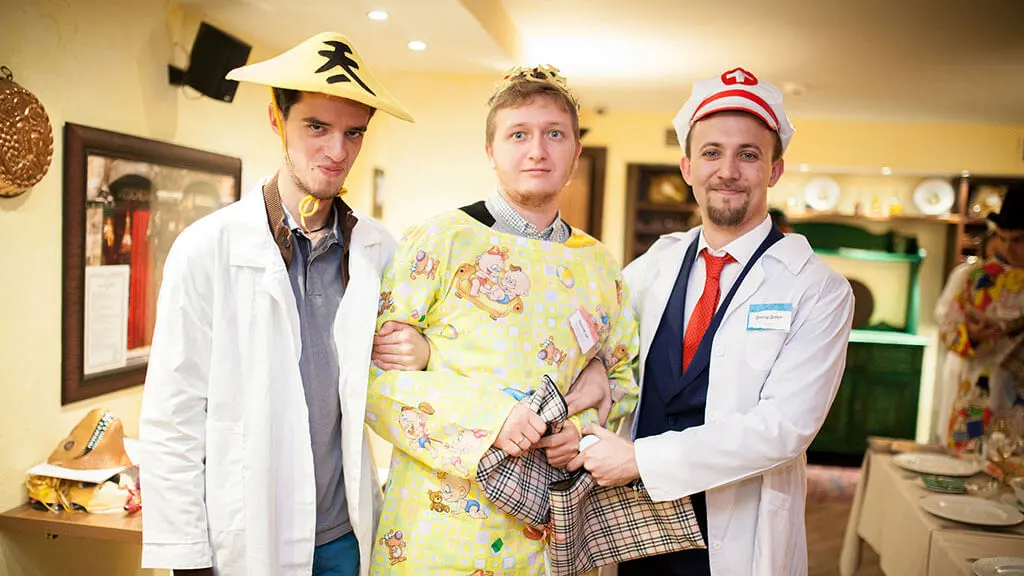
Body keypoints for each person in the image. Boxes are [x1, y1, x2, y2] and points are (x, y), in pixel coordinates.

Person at [139, 32, 427, 576]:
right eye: (316, 127)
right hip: (248, 537)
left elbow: (414, 379)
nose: (337, 151)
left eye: (353, 132)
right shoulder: (208, 249)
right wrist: (187, 559)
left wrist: (423, 351)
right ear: (277, 118)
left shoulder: (379, 251)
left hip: (345, 537)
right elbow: (172, 419)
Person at [567, 67, 855, 575]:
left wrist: (642, 460)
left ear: (775, 170)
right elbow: (605, 342)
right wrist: (595, 367)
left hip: (734, 534)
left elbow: (784, 427)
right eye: (711, 153)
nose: (728, 170)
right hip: (638, 527)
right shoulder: (654, 265)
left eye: (749, 155)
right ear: (687, 167)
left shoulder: (817, 288)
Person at [364, 65, 640, 574]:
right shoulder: (441, 240)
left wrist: (581, 430)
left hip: (554, 538)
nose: (537, 151)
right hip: (441, 531)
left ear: (576, 152)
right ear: (490, 150)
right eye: (518, 134)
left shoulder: (600, 265)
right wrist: (491, 420)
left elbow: (623, 377)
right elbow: (373, 379)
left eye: (554, 134)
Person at [940, 184, 1024, 447]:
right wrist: (971, 336)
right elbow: (947, 332)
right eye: (1003, 238)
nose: (1008, 249)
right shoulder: (977, 279)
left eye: (1019, 240)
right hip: (977, 401)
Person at [934, 228, 1003, 444]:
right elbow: (945, 322)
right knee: (963, 436)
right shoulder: (967, 276)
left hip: (1008, 375)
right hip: (967, 369)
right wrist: (971, 335)